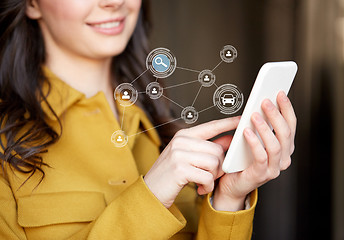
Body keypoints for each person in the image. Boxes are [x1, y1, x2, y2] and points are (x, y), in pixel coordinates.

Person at [0, 0, 296, 239]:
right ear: (32, 4)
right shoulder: (5, 141)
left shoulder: (165, 130)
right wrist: (151, 196)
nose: (114, 2)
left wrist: (229, 199)